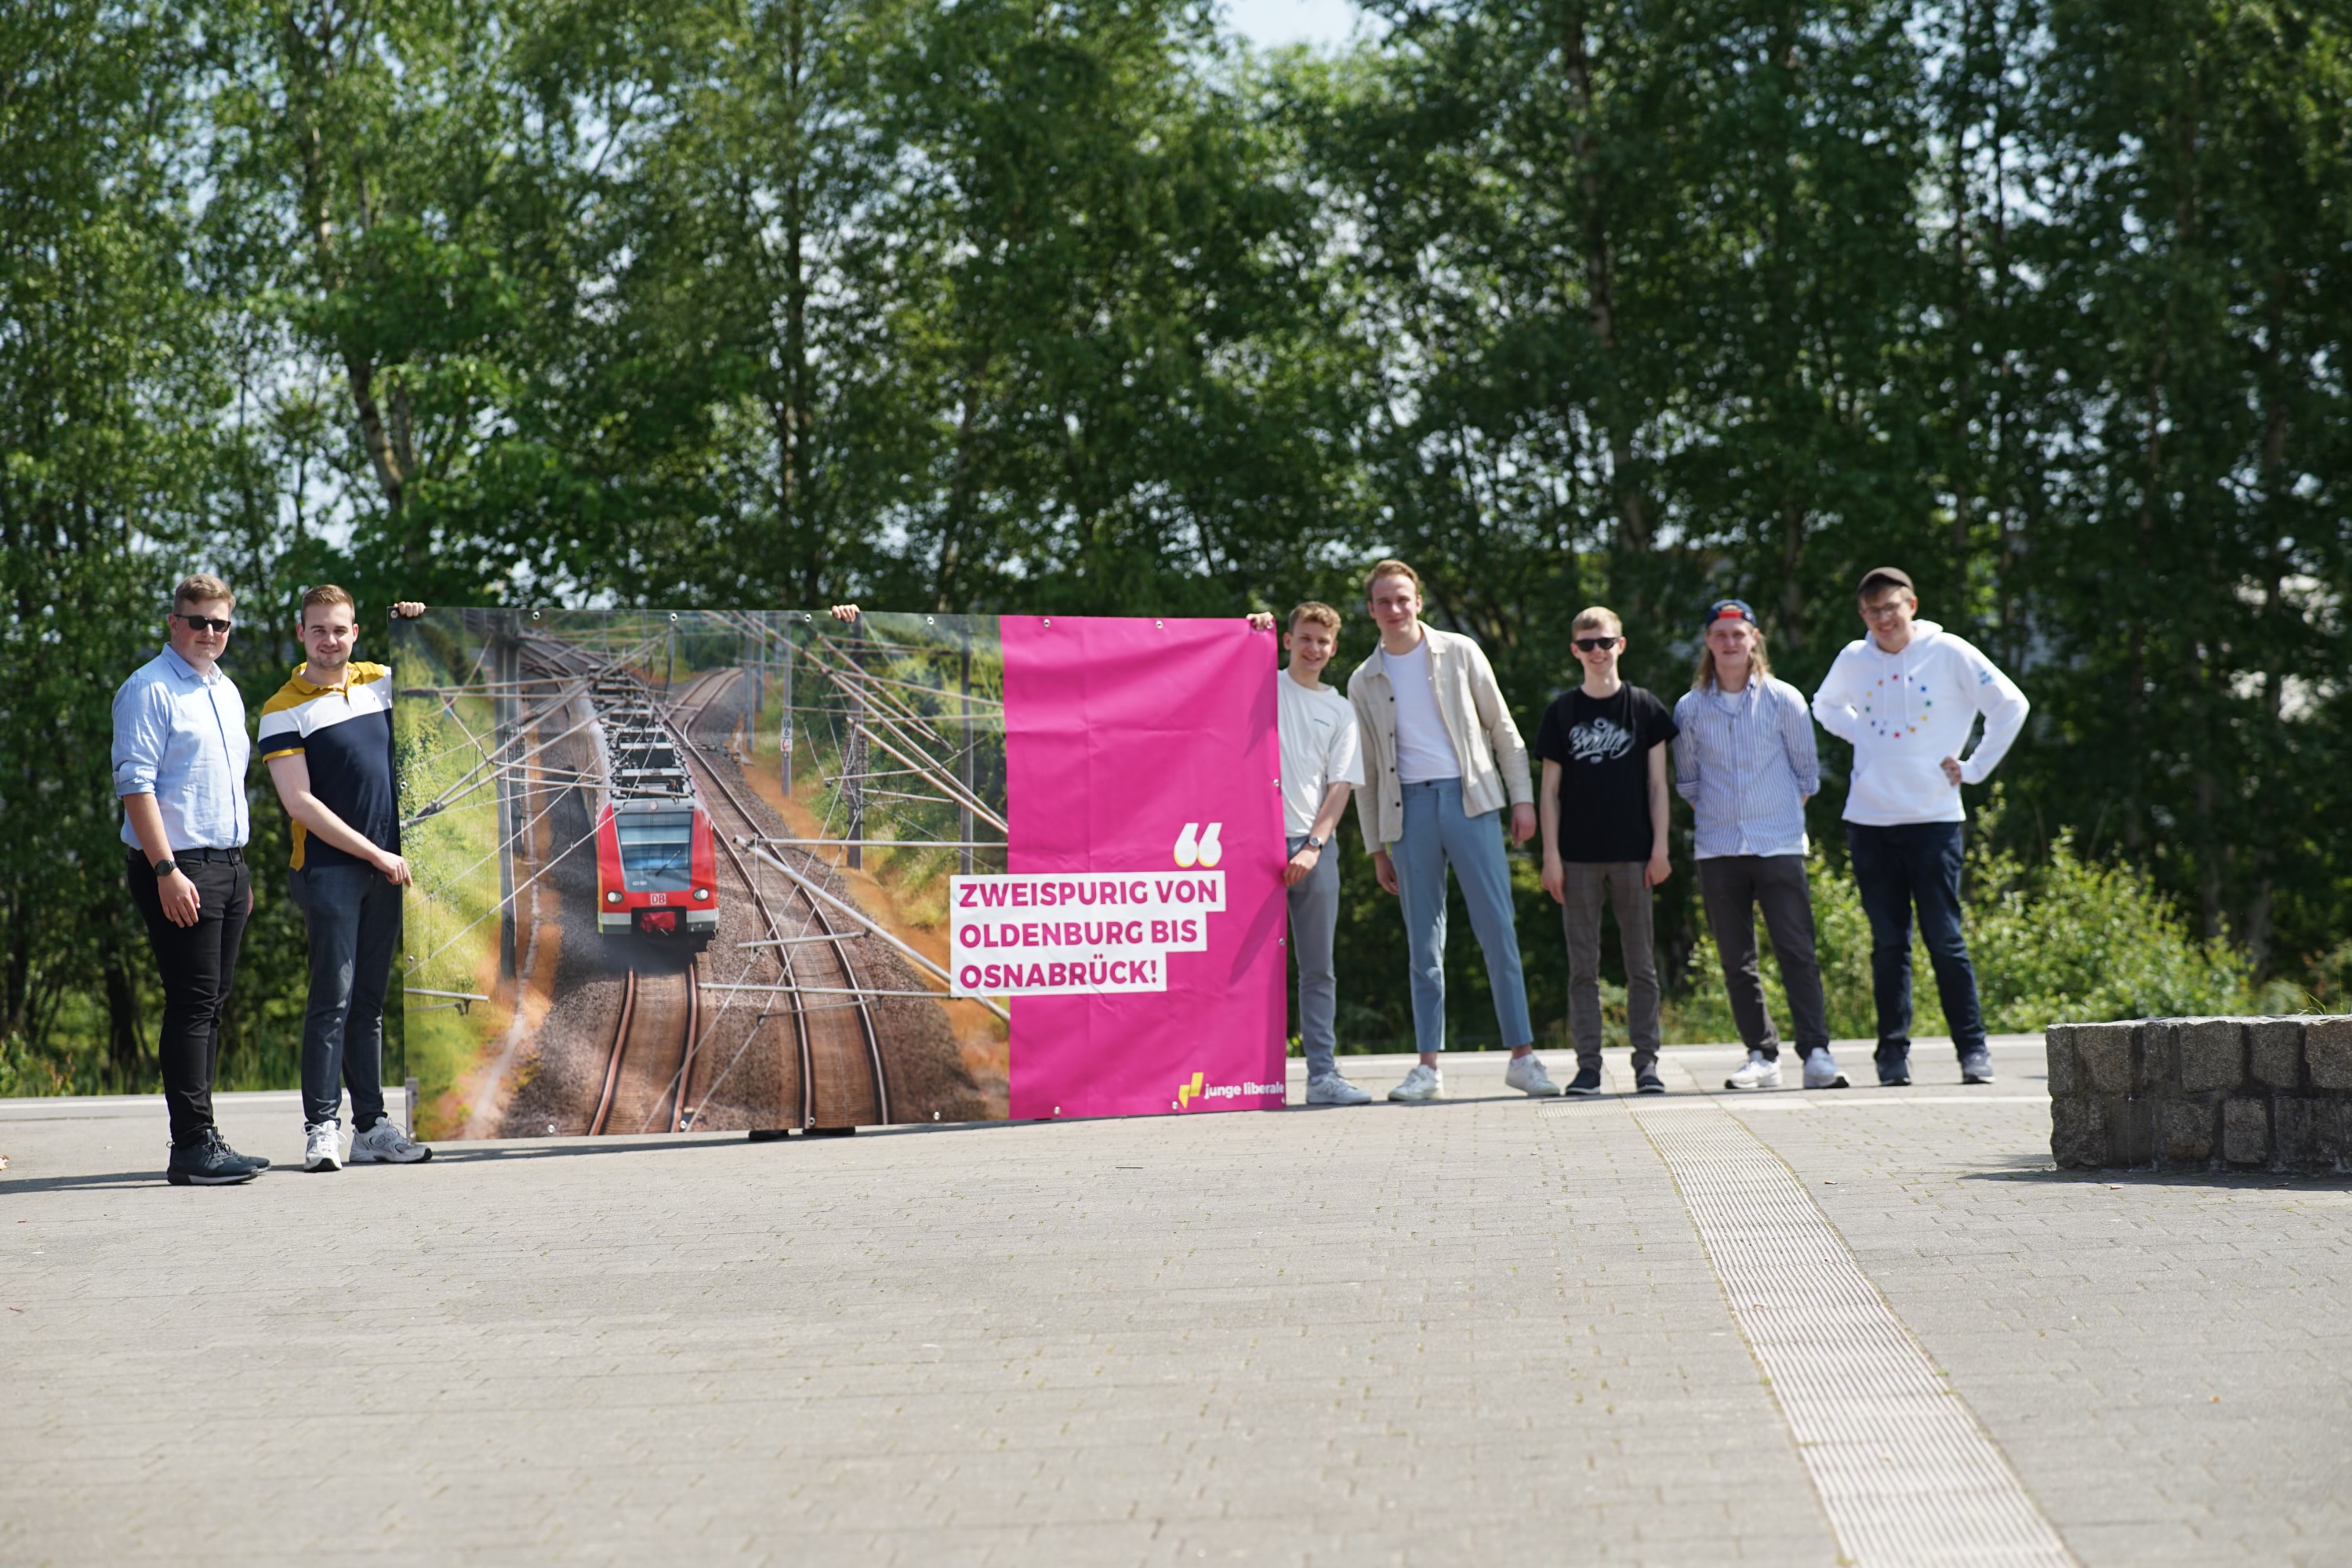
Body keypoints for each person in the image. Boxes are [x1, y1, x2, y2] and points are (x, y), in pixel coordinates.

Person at [1347, 561, 1558, 1102]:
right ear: (1370, 610)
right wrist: (1375, 847)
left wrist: (1523, 799)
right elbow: (1366, 774)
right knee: (1424, 942)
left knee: (1498, 930)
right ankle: (1428, 1068)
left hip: (1472, 802)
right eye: (1383, 602)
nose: (1394, 610)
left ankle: (1523, 1058)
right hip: (1408, 814)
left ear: (1418, 601)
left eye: (1403, 599)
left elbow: (1502, 728)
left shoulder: (1460, 652)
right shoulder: (1362, 680)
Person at [1812, 567, 2029, 1086]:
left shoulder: (1949, 650)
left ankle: (1973, 1051)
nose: (1883, 619)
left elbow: (2010, 704)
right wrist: (1861, 734)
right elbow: (1823, 705)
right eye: (1871, 611)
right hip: (1869, 820)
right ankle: (1892, 1057)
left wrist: (1973, 768)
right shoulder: (1853, 658)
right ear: (1862, 616)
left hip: (1934, 818)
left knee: (1945, 940)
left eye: (1890, 607)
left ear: (1911, 603)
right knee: (1889, 945)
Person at [260, 588, 434, 1171]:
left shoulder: (382, 680)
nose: (328, 640)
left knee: (369, 1004)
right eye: (318, 631)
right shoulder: (282, 708)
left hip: (389, 869)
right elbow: (302, 804)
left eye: (339, 630)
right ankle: (321, 1129)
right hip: (331, 870)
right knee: (331, 1000)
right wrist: (376, 854)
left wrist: (416, 625)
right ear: (301, 633)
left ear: (354, 632)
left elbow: (442, 670)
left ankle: (372, 1127)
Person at [114, 575, 268, 1185]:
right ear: (174, 622)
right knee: (191, 1003)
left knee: (213, 1005)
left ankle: (206, 1136)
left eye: (220, 624)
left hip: (225, 865)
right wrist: (166, 870)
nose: (209, 633)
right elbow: (135, 784)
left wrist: (239, 870)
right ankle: (191, 1147)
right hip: (178, 867)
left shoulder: (224, 690)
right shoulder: (148, 689)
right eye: (198, 621)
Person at [1671, 600, 1846, 1091]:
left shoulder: (1784, 699)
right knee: (1736, 959)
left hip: (1780, 844)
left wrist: (1771, 815)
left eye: (1739, 634)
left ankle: (1816, 1052)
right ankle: (1761, 1055)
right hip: (1718, 849)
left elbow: (1806, 773)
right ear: (1708, 641)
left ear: (1754, 639)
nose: (1730, 643)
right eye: (1720, 634)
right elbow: (1687, 780)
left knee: (1797, 951)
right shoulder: (1689, 708)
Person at [1534, 606, 1678, 1095]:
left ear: (1621, 645)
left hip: (1635, 855)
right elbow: (1548, 792)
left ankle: (1646, 1064)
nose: (1598, 651)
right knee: (1583, 968)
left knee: (1641, 965)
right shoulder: (1562, 712)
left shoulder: (1644, 708)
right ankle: (1589, 1066)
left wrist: (1661, 848)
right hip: (1575, 858)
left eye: (1606, 642)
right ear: (1575, 650)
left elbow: (1659, 786)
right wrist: (1550, 857)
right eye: (1588, 644)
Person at [1270, 603, 1372, 1105]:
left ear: (1333, 649)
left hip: (1311, 847)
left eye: (1323, 642)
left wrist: (1313, 845)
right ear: (1287, 640)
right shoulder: (1260, 687)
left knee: (1317, 968)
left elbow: (1340, 787)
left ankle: (1321, 1078)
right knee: (1241, 969)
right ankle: (1237, 1077)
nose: (1313, 648)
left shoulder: (1339, 708)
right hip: (1249, 844)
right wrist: (1248, 630)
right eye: (1305, 638)